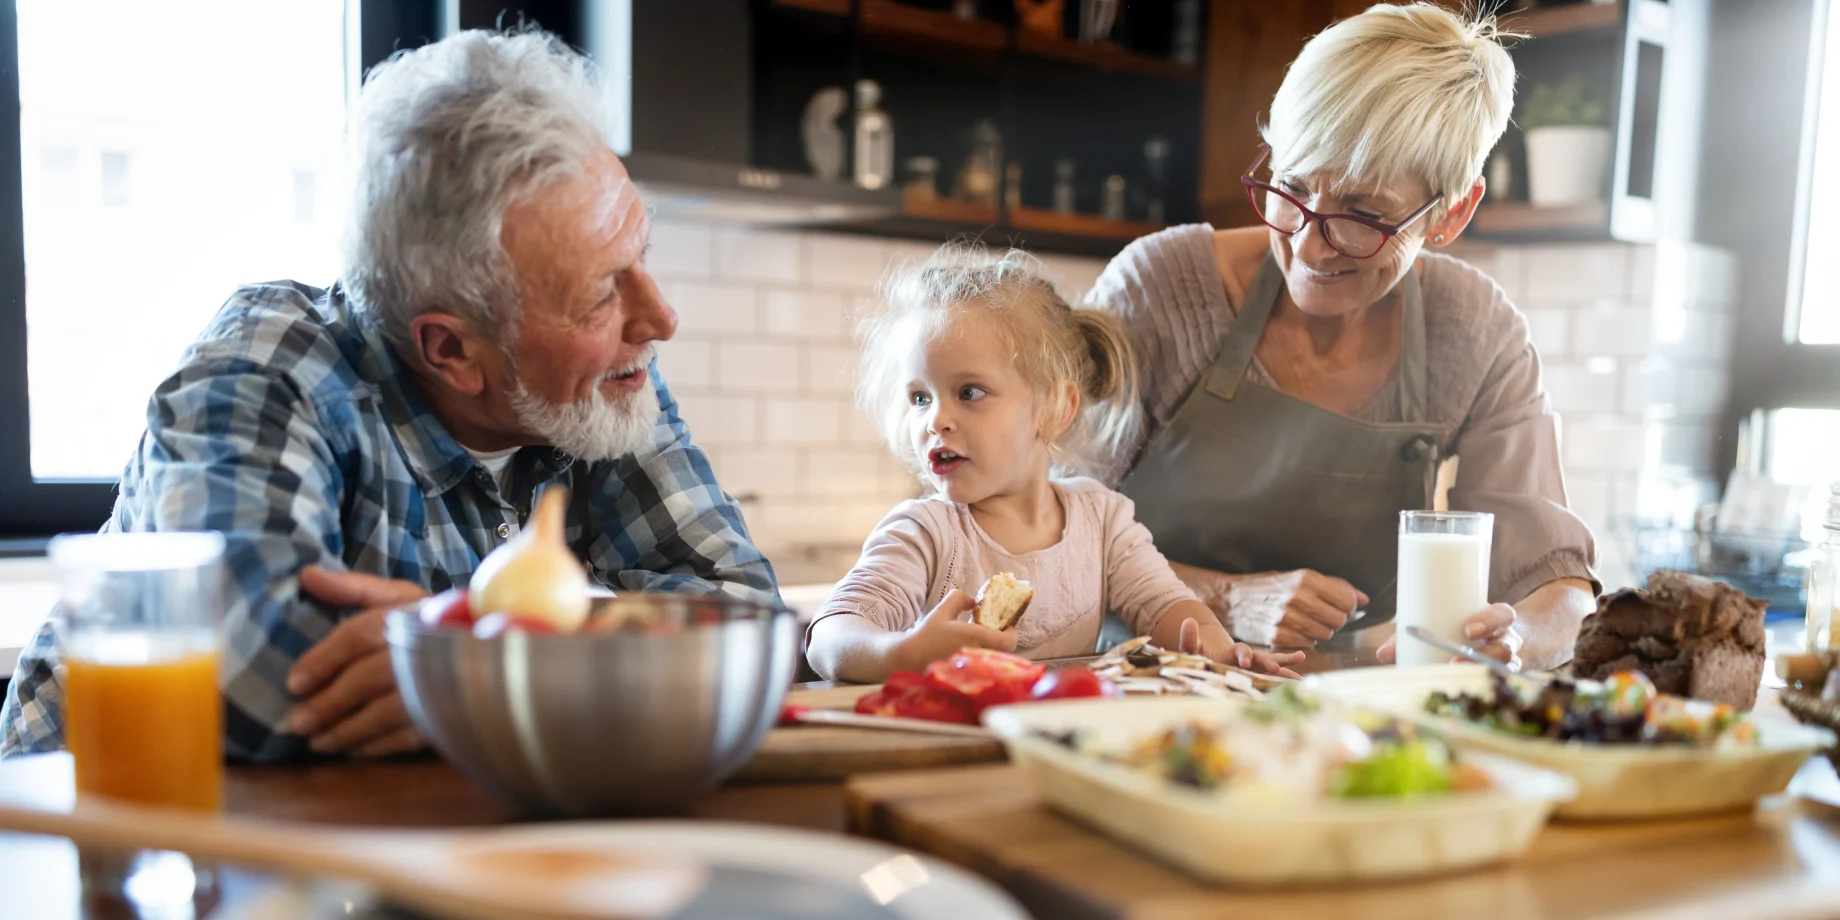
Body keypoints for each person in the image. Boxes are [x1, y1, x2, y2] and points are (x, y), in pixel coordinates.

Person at [1, 29, 776, 762]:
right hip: (92, 844)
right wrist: (547, 657)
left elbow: (745, 615)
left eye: (640, 256)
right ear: (451, 349)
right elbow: (255, 675)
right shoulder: (270, 365)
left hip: (363, 840)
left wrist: (469, 659)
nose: (660, 319)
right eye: (601, 293)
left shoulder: (601, 378)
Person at [1087, 2, 1599, 669]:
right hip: (1130, 685)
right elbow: (1026, 536)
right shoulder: (1162, 290)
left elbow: (1556, 586)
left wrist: (1517, 641)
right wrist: (1226, 600)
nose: (1308, 244)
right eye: (1292, 186)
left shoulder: (1473, 330)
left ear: (1451, 214)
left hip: (1346, 698)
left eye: (1363, 215)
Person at [805, 246, 1302, 683]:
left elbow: (1165, 604)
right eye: (919, 397)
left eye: (969, 392)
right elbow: (830, 639)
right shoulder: (925, 532)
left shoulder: (1103, 519)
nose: (936, 420)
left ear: (1055, 408)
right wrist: (900, 653)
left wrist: (1222, 652)